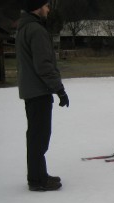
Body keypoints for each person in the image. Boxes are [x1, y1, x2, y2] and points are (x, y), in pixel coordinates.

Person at [16, 0, 69, 192]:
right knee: (40, 136)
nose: (48, 9)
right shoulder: (36, 30)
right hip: (39, 90)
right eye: (46, 5)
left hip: (31, 90)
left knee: (35, 135)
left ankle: (37, 175)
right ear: (37, 7)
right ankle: (38, 180)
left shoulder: (24, 27)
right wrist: (59, 90)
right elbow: (44, 64)